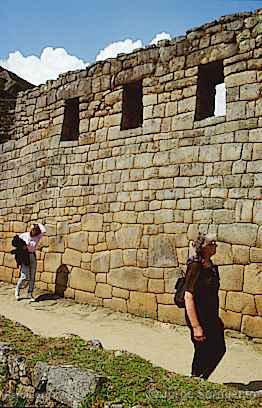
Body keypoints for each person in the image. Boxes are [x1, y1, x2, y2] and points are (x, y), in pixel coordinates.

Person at [184, 233, 226, 380]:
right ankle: (195, 379)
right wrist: (196, 326)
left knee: (219, 348)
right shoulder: (195, 265)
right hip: (198, 316)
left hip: (210, 316)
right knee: (202, 351)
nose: (215, 245)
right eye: (212, 243)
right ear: (203, 247)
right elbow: (188, 295)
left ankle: (202, 378)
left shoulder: (211, 266)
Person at [15, 223, 46, 302]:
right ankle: (17, 291)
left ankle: (30, 293)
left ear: (36, 231)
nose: (32, 231)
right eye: (31, 229)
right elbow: (16, 242)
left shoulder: (37, 237)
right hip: (25, 257)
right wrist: (22, 247)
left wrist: (37, 224)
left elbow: (44, 230)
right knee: (24, 276)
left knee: (32, 276)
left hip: (32, 256)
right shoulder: (24, 235)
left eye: (34, 230)